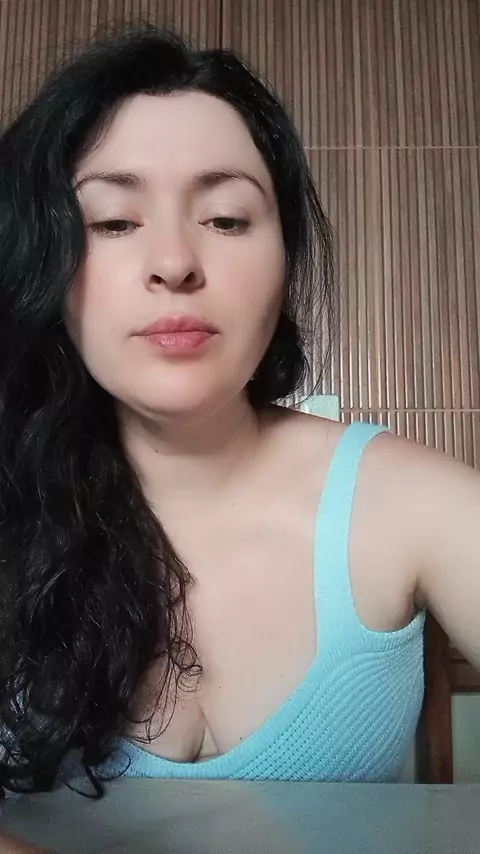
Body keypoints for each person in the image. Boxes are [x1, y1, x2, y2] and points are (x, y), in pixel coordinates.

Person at [0, 20, 479, 821]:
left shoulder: (410, 503)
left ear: (284, 261)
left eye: (226, 219)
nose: (175, 263)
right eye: (113, 222)